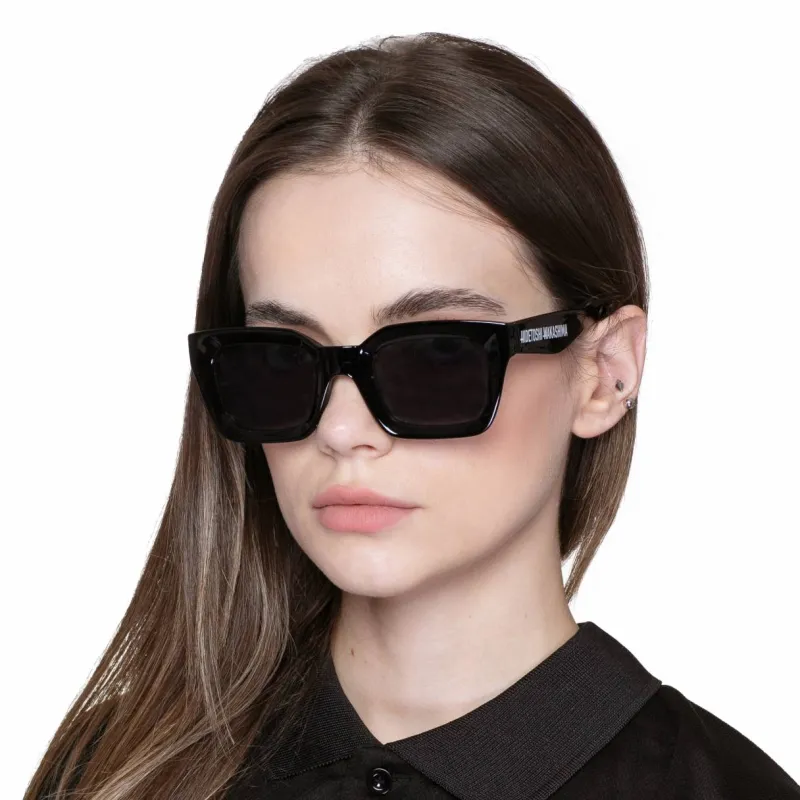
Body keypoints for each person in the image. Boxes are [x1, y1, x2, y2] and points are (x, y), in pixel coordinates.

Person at [25, 31, 799, 800]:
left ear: (604, 372)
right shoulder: (110, 773)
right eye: (284, 358)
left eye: (434, 356)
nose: (340, 430)